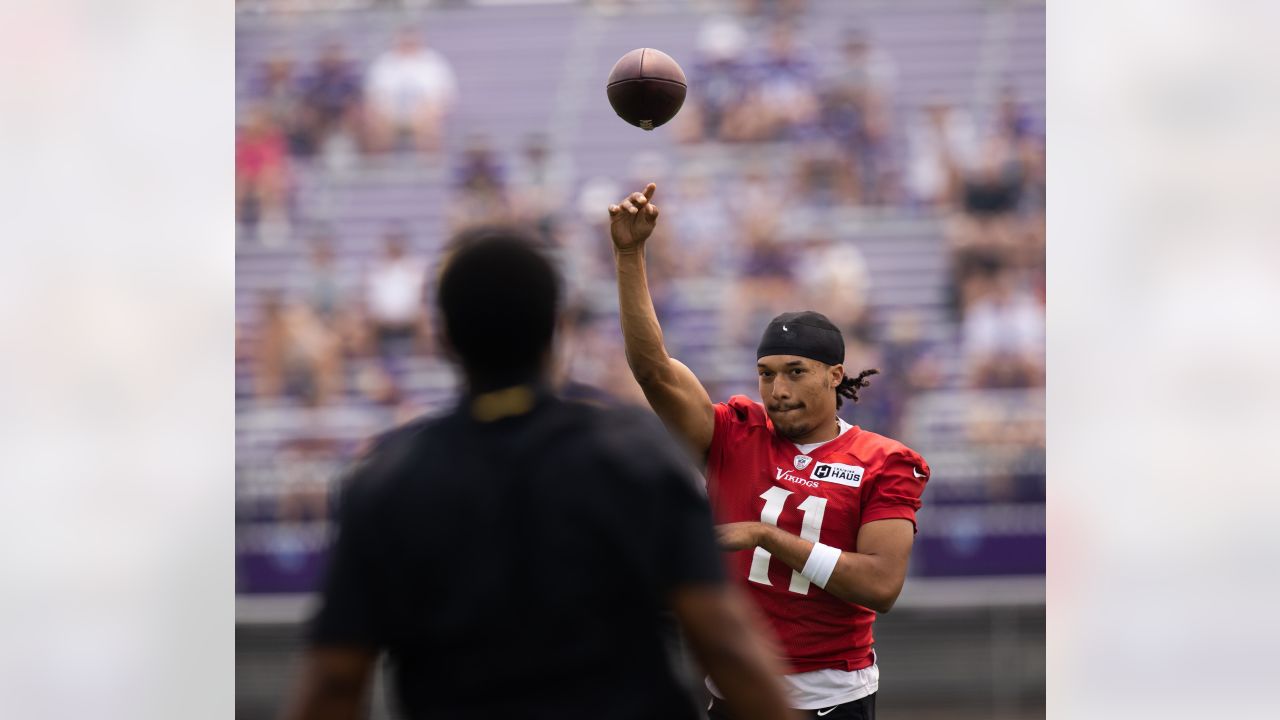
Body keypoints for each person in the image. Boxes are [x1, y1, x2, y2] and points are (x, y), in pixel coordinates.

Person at [282, 228, 797, 720]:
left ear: (444, 340)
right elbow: (725, 645)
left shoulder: (386, 482)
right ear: (557, 328)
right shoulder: (635, 457)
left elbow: (334, 680)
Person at [607, 184, 931, 719]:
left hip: (832, 700)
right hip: (734, 695)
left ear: (835, 375)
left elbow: (881, 585)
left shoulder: (883, 461)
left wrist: (765, 536)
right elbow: (653, 370)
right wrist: (629, 255)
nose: (777, 390)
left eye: (795, 373)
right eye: (766, 374)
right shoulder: (735, 432)